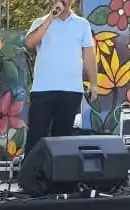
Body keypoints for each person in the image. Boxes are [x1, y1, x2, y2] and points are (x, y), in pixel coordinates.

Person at [23, 0, 98, 154]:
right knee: (35, 137)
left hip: (71, 90)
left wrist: (94, 84)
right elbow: (30, 43)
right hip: (43, 90)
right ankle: (32, 170)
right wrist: (51, 17)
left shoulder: (82, 24)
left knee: (63, 141)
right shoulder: (40, 22)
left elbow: (89, 56)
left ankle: (59, 170)